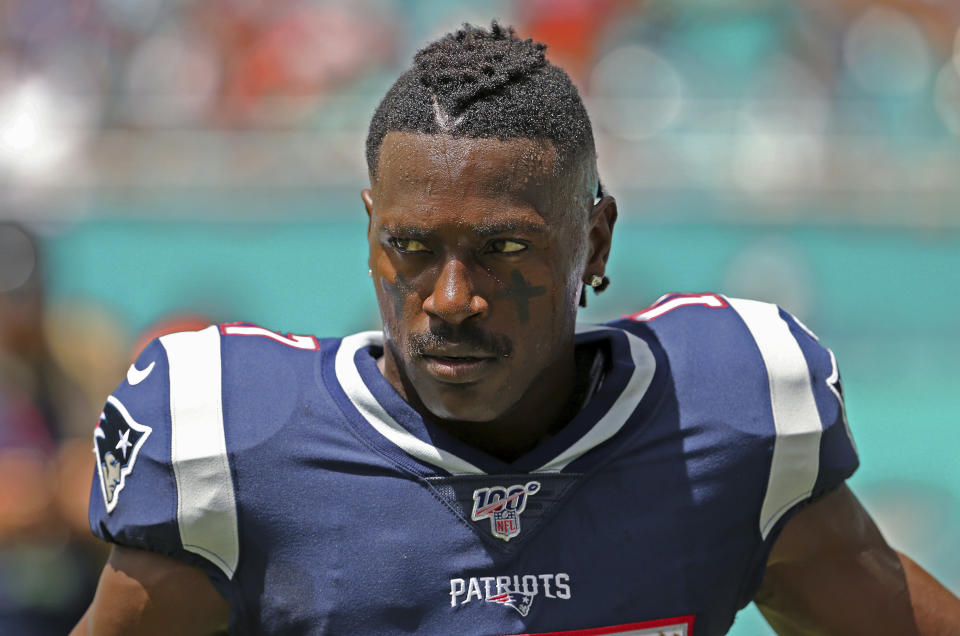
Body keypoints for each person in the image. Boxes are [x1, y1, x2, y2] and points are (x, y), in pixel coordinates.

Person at [72, 23, 959, 635]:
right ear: (370, 236)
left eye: (504, 249)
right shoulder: (234, 443)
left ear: (596, 241)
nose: (452, 297)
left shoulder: (727, 420)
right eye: (412, 247)